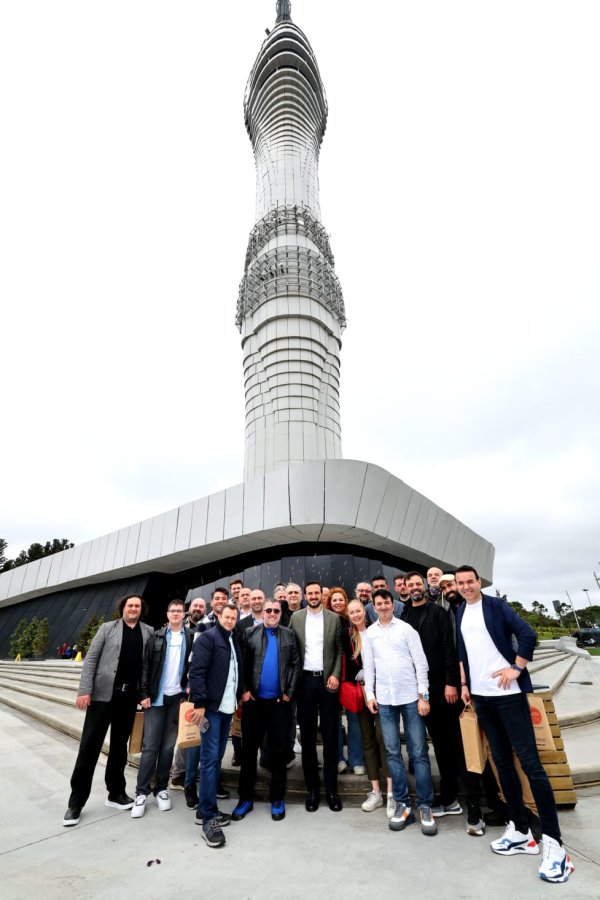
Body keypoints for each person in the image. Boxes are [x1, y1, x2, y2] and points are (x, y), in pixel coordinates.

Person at [456, 565, 574, 883]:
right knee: (502, 763)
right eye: (461, 583)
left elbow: (528, 634)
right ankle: (521, 831)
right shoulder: (459, 612)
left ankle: (554, 844)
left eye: (470, 581)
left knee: (531, 765)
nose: (466, 586)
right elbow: (464, 651)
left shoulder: (496, 606)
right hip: (481, 698)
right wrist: (465, 683)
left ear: (479, 582)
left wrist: (516, 668)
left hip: (508, 696)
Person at [401, 571, 485, 836]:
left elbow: (449, 647)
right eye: (410, 584)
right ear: (405, 588)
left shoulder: (437, 613)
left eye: (418, 584)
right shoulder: (404, 616)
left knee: (457, 747)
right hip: (419, 690)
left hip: (442, 688)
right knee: (441, 747)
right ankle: (449, 797)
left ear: (425, 587)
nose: (415, 588)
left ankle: (473, 806)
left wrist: (452, 682)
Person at [63, 594, 154, 826]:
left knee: (119, 749)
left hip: (128, 698)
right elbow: (91, 659)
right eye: (129, 605)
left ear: (141, 609)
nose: (133, 608)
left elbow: (147, 667)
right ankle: (76, 802)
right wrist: (85, 690)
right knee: (89, 747)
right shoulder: (107, 628)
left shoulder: (148, 631)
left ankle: (115, 793)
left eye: (137, 606)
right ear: (122, 608)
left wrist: (143, 694)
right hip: (103, 696)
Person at [362, 589, 437, 836]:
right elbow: (369, 668)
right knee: (393, 752)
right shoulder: (370, 634)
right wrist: (370, 696)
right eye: (378, 603)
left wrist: (423, 695)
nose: (382, 607)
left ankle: (425, 806)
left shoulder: (406, 629)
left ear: (392, 605)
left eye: (386, 603)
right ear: (373, 607)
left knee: (419, 753)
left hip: (410, 699)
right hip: (384, 700)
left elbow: (421, 663)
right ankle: (403, 804)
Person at [231, 598, 301, 822]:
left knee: (279, 752)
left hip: (280, 704)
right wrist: (243, 691)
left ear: (281, 613)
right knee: (249, 751)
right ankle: (245, 798)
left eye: (275, 611)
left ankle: (277, 798)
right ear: (262, 612)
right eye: (268, 610)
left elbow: (296, 664)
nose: (271, 613)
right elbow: (241, 663)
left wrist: (289, 692)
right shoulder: (250, 633)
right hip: (254, 702)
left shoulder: (289, 635)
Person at [188, 603, 244, 848]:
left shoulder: (233, 639)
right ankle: (208, 817)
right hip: (210, 710)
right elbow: (196, 671)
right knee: (210, 761)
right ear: (219, 616)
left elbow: (234, 672)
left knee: (217, 757)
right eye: (227, 616)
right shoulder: (208, 639)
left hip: (226, 709)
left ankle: (205, 808)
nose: (230, 620)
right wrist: (199, 703)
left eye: (234, 617)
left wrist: (239, 694)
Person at [131, 599, 194, 818]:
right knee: (150, 747)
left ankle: (161, 789)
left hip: (176, 699)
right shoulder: (156, 637)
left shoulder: (190, 637)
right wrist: (144, 693)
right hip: (155, 699)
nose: (176, 614)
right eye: (172, 611)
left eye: (179, 611)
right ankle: (141, 792)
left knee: (168, 747)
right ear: (167, 614)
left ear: (184, 615)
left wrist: (188, 687)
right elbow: (145, 666)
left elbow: (191, 666)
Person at [289, 581, 343, 812]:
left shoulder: (333, 618)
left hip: (328, 680)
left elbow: (340, 649)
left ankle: (331, 790)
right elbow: (292, 650)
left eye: (316, 593)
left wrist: (336, 674)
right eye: (309, 593)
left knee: (331, 737)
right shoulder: (296, 618)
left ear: (322, 595)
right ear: (304, 596)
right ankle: (312, 790)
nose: (313, 596)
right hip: (305, 683)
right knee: (309, 738)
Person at [345, 599, 393, 815]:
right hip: (361, 693)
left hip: (383, 692)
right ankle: (376, 791)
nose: (356, 615)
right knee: (368, 740)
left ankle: (392, 792)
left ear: (365, 612)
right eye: (351, 612)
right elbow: (344, 663)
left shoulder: (377, 631)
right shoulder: (348, 637)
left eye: (358, 611)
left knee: (386, 740)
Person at [327, 587, 365, 776]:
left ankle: (356, 759)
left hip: (351, 680)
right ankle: (338, 759)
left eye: (341, 599)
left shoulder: (354, 622)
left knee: (355, 720)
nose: (338, 603)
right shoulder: (326, 621)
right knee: (334, 721)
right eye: (334, 600)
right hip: (331, 679)